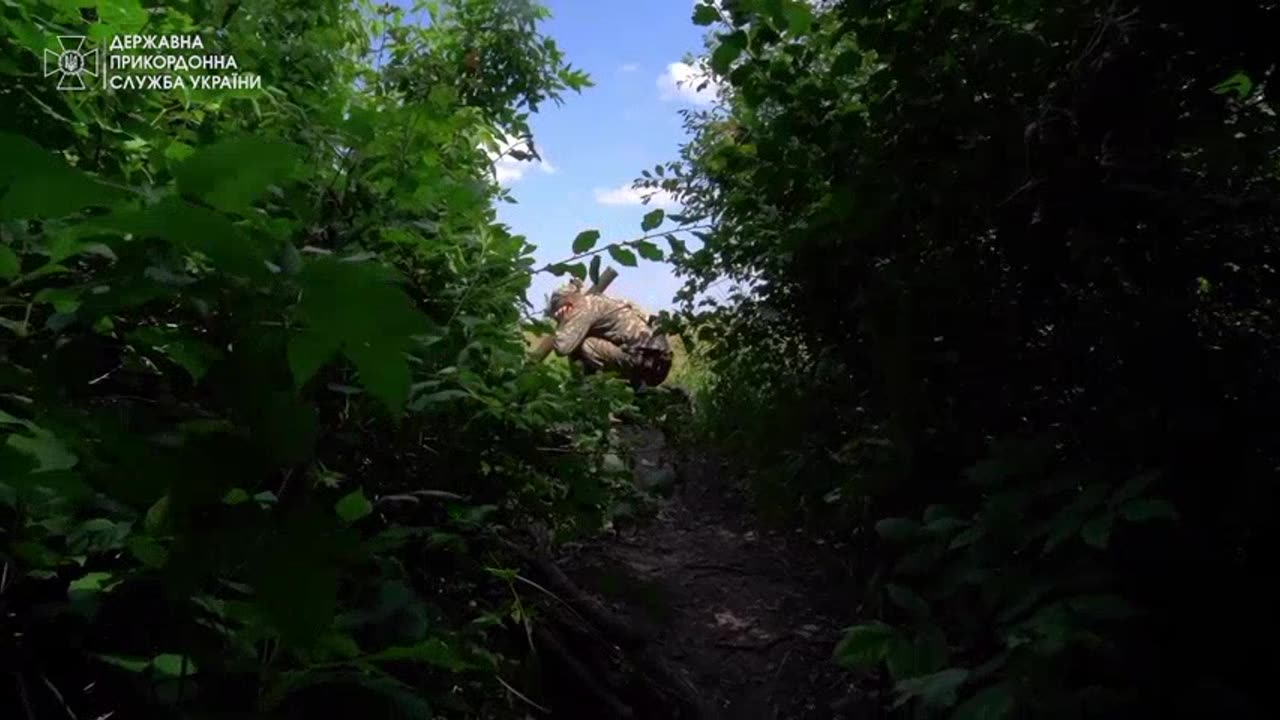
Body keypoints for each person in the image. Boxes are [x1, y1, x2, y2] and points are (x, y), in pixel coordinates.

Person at [546, 278, 673, 389]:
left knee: (583, 345)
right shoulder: (599, 301)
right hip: (657, 361)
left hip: (645, 363)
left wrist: (563, 322)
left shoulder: (583, 308)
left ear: (567, 303)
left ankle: (587, 391)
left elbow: (562, 348)